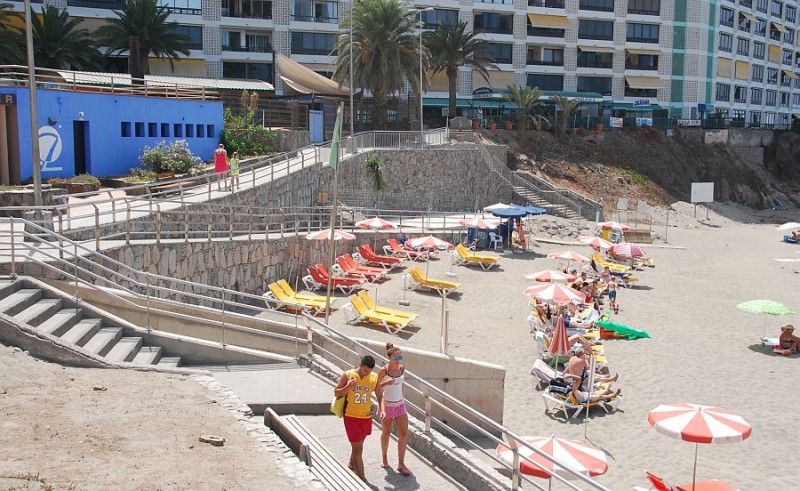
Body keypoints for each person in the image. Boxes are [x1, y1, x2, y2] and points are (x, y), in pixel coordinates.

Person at [334, 355, 378, 482]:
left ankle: (351, 463)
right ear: (360, 366)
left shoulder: (374, 377)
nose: (367, 373)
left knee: (359, 444)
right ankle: (362, 479)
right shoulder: (348, 375)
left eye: (369, 371)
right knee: (358, 448)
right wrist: (348, 387)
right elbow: (337, 392)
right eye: (365, 370)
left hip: (366, 417)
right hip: (351, 417)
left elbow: (380, 395)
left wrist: (382, 408)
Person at [377, 343, 412, 476]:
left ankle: (401, 463)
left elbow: (401, 384)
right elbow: (375, 386)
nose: (398, 360)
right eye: (396, 357)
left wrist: (402, 397)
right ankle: (384, 456)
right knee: (386, 432)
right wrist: (386, 383)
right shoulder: (383, 371)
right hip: (387, 405)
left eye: (400, 357)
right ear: (389, 357)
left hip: (400, 405)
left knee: (403, 434)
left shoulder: (402, 369)